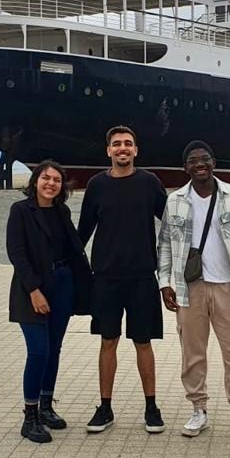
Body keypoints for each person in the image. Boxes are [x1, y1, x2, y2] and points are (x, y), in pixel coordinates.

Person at [157, 141, 230, 439]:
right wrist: (164, 283)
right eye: (193, 161)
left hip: (228, 286)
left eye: (204, 159)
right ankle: (198, 410)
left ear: (214, 162)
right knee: (192, 354)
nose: (199, 164)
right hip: (189, 288)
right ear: (185, 167)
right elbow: (164, 243)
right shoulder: (175, 200)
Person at [78, 126, 169, 434]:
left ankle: (151, 407)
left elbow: (173, 222)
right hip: (105, 278)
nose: (122, 148)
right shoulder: (96, 185)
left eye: (128, 144)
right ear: (108, 150)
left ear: (136, 150)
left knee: (143, 343)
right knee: (108, 341)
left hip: (142, 277)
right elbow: (83, 232)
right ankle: (105, 408)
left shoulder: (149, 182)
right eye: (116, 144)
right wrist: (64, 268)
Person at [6, 160, 92, 443]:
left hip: (63, 284)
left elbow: (73, 248)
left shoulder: (61, 211)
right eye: (46, 178)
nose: (51, 184)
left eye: (56, 180)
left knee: (54, 349)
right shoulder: (21, 211)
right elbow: (17, 254)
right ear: (35, 181)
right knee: (38, 351)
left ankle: (46, 406)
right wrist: (34, 290)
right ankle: (29, 416)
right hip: (32, 289)